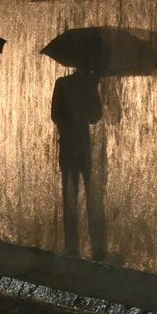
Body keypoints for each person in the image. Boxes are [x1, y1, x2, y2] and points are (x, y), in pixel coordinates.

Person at [51, 59, 103, 257]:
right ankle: (87, 245)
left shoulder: (65, 85)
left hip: (73, 145)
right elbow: (94, 117)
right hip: (78, 145)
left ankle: (74, 244)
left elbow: (94, 116)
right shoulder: (66, 84)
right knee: (82, 194)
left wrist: (90, 92)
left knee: (73, 194)